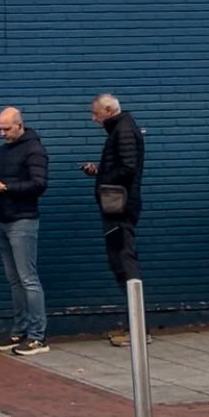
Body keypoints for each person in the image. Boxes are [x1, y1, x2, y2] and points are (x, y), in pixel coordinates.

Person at [0, 107, 50, 356]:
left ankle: (37, 336)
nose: (2, 133)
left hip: (23, 220)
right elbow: (11, 178)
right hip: (4, 218)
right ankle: (20, 330)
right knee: (15, 281)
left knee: (28, 279)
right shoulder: (5, 150)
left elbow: (39, 184)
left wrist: (6, 187)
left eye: (7, 129)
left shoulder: (35, 149)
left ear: (20, 125)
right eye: (0, 129)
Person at [80, 94, 145, 347]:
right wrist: (100, 171)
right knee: (119, 259)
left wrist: (104, 177)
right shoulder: (121, 129)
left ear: (108, 110)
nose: (93, 118)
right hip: (118, 205)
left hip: (121, 206)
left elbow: (128, 168)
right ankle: (134, 325)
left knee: (124, 260)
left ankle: (137, 329)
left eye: (95, 113)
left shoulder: (123, 130)